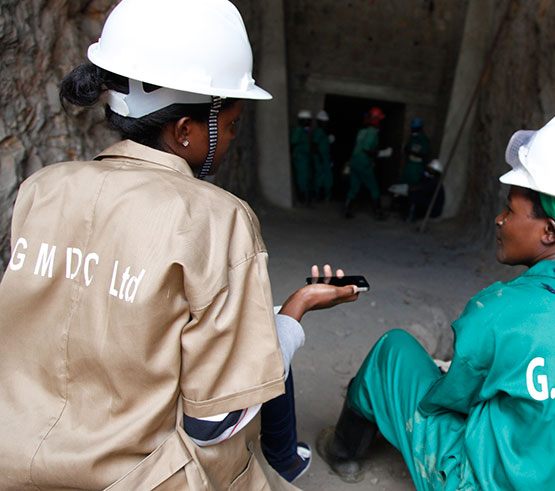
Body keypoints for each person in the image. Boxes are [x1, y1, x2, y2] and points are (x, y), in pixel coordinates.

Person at [0, 0, 360, 488]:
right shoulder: (217, 218)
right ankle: (289, 463)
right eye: (230, 126)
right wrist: (289, 318)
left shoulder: (41, 189)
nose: (230, 140)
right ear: (187, 130)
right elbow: (216, 422)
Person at [318, 111, 555, 489]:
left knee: (393, 352)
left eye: (510, 209)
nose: (499, 220)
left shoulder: (501, 311)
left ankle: (343, 452)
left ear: (550, 231)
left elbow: (447, 403)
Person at [344, 106, 389, 219]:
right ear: (376, 120)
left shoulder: (361, 131)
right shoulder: (372, 133)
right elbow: (367, 148)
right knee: (374, 187)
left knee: (354, 186)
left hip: (354, 161)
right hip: (363, 162)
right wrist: (381, 153)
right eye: (380, 120)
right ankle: (378, 212)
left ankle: (346, 210)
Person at [290, 109, 313, 205]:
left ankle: (305, 199)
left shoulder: (303, 131)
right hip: (300, 158)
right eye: (307, 120)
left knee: (305, 178)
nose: (309, 123)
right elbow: (293, 143)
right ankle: (302, 199)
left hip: (304, 158)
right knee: (302, 179)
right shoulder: (298, 131)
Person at [400, 117, 430, 185]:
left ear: (420, 128)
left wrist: (411, 151)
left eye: (415, 129)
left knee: (414, 186)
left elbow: (424, 154)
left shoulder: (423, 140)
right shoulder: (412, 138)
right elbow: (407, 148)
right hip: (408, 166)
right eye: (412, 128)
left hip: (417, 168)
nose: (413, 130)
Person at [311, 110, 334, 201]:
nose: (325, 124)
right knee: (319, 177)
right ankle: (316, 195)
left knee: (327, 178)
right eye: (324, 122)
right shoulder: (318, 131)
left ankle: (326, 196)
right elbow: (314, 145)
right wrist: (320, 156)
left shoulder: (324, 132)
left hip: (326, 159)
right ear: (320, 122)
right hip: (320, 159)